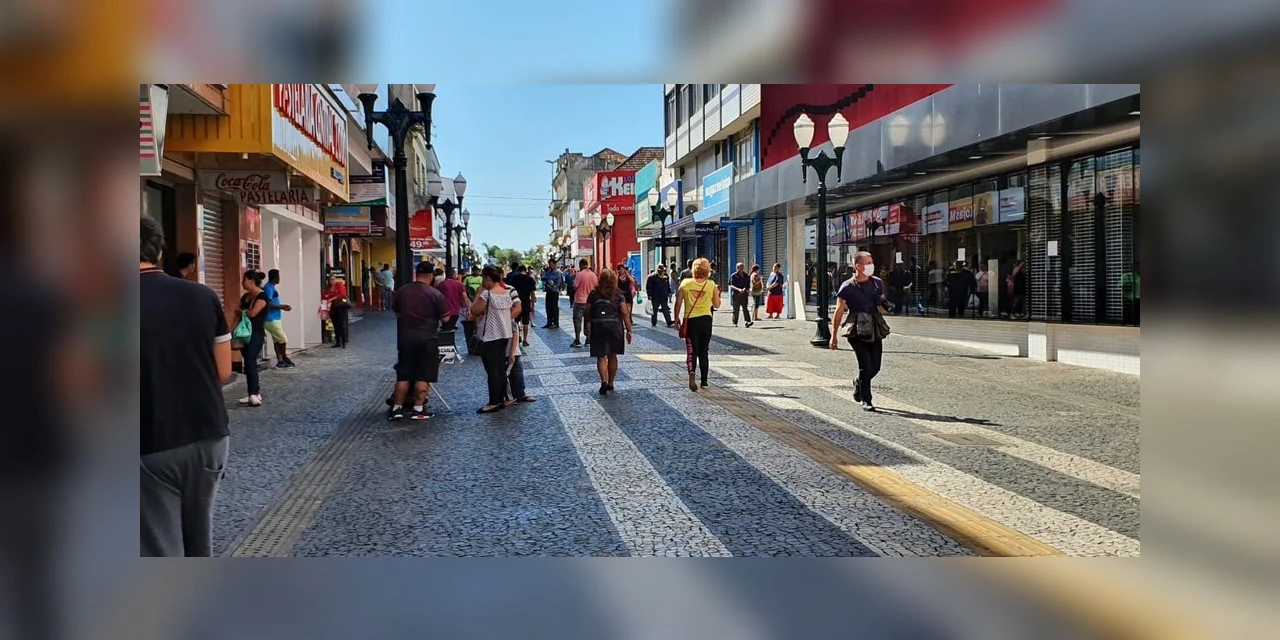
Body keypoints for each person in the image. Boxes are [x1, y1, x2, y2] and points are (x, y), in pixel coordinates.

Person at [140, 216, 232, 556]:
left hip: (151, 440)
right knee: (199, 543)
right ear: (160, 251)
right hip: (209, 435)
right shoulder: (202, 296)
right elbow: (223, 371)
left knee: (159, 547)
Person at [830, 251, 892, 411]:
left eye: (872, 262)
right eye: (868, 263)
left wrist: (882, 307)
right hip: (856, 328)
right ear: (858, 266)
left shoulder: (877, 282)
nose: (872, 266)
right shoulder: (847, 286)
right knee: (865, 365)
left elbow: (881, 303)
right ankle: (867, 399)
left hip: (874, 326)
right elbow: (839, 310)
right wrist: (833, 335)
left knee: (875, 366)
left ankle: (859, 382)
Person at [387, 262, 447, 421]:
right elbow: (446, 317)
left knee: (403, 375)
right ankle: (418, 409)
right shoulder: (435, 294)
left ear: (416, 273)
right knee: (423, 375)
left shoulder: (402, 291)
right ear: (431, 276)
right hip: (428, 339)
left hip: (405, 338)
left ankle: (397, 408)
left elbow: (397, 312)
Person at [471, 265, 532, 413]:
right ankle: (502, 398)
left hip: (490, 336)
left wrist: (480, 291)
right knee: (499, 369)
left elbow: (473, 310)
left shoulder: (487, 295)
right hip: (504, 335)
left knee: (492, 370)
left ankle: (494, 402)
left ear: (487, 278)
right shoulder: (506, 293)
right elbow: (516, 308)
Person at [674, 257, 721, 391]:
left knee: (692, 351)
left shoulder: (685, 283)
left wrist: (676, 317)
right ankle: (704, 381)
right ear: (707, 271)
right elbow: (717, 304)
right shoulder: (711, 285)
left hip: (691, 321)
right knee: (704, 351)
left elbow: (678, 303)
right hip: (706, 320)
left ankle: (692, 372)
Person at [584, 269, 632, 395]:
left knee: (601, 356)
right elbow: (624, 312)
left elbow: (587, 312)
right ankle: (611, 383)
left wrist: (587, 327)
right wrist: (629, 329)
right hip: (614, 327)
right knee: (612, 355)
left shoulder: (594, 294)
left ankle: (603, 381)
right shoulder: (618, 294)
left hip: (598, 327)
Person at [237, 270, 270, 407]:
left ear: (251, 281)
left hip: (256, 333)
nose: (242, 282)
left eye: (244, 280)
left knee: (250, 361)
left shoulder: (262, 296)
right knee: (248, 363)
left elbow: (252, 313)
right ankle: (254, 392)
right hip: (244, 333)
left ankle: (253, 394)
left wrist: (241, 312)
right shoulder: (245, 297)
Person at [262, 269, 296, 368]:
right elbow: (267, 303)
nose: (279, 279)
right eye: (278, 277)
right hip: (270, 319)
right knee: (283, 339)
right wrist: (281, 306)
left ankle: (280, 361)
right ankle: (284, 357)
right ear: (275, 277)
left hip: (275, 318)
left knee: (277, 340)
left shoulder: (272, 287)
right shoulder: (268, 288)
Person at [570, 258, 598, 348]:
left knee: (577, 320)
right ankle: (588, 339)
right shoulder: (593, 275)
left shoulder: (579, 274)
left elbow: (575, 286)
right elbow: (596, 287)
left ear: (580, 265)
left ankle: (577, 339)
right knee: (588, 320)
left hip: (579, 301)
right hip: (590, 302)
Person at [511, 264, 538, 347]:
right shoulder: (530, 279)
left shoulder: (514, 278)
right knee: (526, 322)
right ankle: (525, 340)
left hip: (516, 302)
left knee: (516, 321)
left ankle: (517, 336)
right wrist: (532, 306)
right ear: (526, 270)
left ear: (519, 271)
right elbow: (532, 294)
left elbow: (511, 291)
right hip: (526, 302)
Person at [437, 267, 470, 335]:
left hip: (444, 311)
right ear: (454, 274)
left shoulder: (441, 284)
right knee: (450, 329)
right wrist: (468, 308)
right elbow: (465, 297)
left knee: (446, 328)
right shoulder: (458, 284)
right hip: (455, 311)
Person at [323, 272, 351, 347]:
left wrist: (332, 298)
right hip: (332, 308)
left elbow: (342, 294)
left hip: (340, 307)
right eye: (330, 279)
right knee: (335, 325)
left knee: (342, 324)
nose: (332, 281)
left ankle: (344, 341)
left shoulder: (339, 285)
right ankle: (338, 341)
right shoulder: (328, 288)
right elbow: (325, 297)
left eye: (333, 279)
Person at [728, 262, 753, 328]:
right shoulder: (733, 275)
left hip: (744, 295)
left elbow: (747, 285)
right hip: (736, 295)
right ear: (737, 268)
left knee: (745, 308)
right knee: (736, 309)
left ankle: (747, 321)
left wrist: (745, 289)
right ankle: (734, 322)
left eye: (742, 267)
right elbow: (731, 285)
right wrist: (739, 289)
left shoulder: (746, 275)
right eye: (740, 267)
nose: (741, 268)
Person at [541, 259, 564, 328]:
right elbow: (543, 278)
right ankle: (549, 322)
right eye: (549, 264)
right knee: (548, 307)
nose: (550, 266)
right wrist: (548, 278)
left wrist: (547, 278)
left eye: (551, 264)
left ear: (554, 264)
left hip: (554, 292)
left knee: (554, 308)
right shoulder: (549, 271)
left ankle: (556, 323)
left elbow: (554, 280)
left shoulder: (557, 272)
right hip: (548, 291)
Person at [1121, 261, 1140, 325]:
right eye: (1137, 267)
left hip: (1138, 300)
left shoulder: (1139, 276)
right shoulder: (1126, 275)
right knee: (1128, 318)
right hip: (1128, 300)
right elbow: (1120, 287)